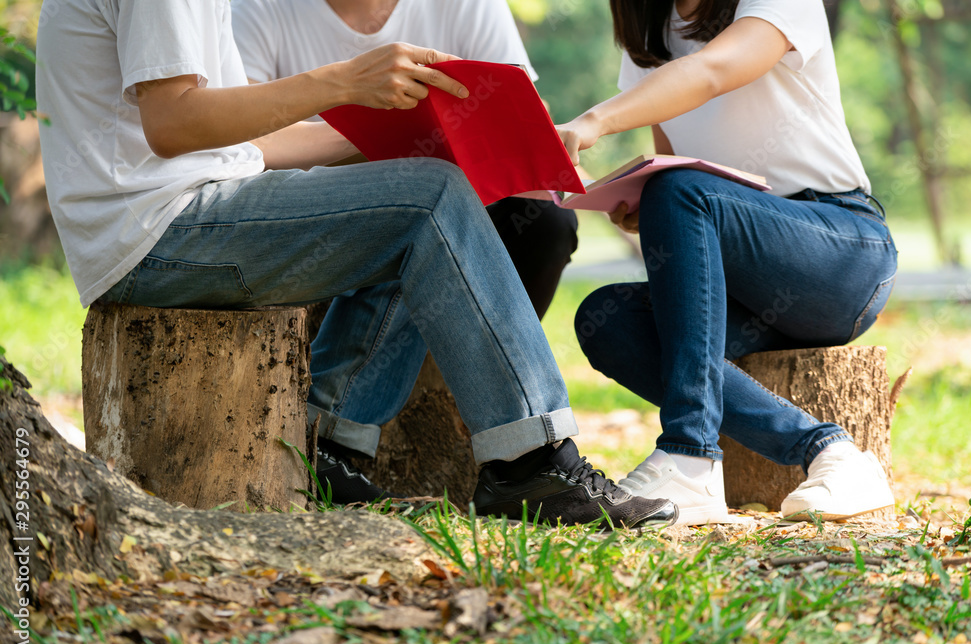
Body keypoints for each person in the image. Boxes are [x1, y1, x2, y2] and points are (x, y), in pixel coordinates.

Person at [35, 0, 677, 529]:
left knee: (420, 191)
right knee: (427, 198)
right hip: (158, 234)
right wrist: (344, 82)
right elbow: (172, 123)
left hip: (184, 212)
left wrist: (404, 128)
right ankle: (532, 463)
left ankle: (330, 446)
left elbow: (241, 143)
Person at [556, 0, 897, 525]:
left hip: (841, 255)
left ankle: (689, 456)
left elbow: (713, 71)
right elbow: (672, 166)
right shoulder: (652, 35)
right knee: (607, 319)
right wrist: (646, 206)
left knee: (681, 191)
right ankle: (832, 454)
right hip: (743, 285)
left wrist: (595, 121)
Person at [229, 0, 582, 499]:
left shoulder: (467, 5)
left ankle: (504, 423)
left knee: (544, 223)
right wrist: (377, 136)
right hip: (323, 205)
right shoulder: (261, 11)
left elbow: (521, 111)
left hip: (451, 192)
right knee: (416, 204)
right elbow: (242, 140)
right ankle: (334, 439)